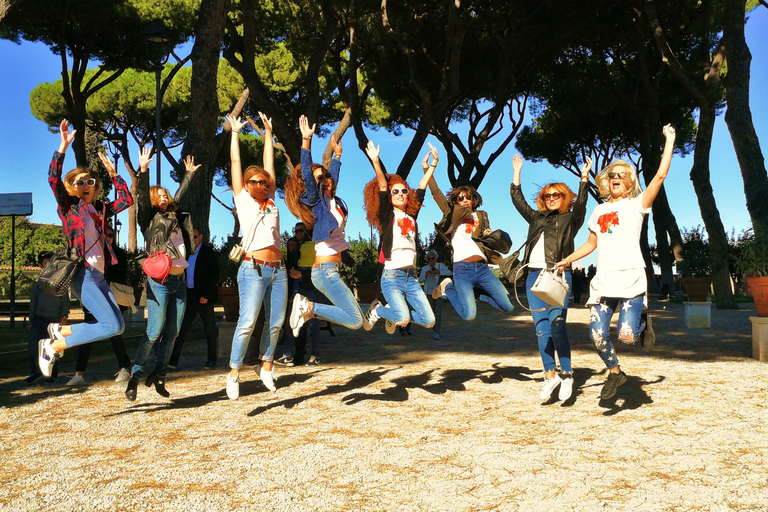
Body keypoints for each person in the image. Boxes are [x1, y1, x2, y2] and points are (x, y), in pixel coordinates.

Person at [556, 124, 676, 400]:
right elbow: (589, 244)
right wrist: (567, 260)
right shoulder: (599, 210)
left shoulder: (637, 204)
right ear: (607, 182)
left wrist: (669, 141)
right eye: (612, 176)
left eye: (622, 175)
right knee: (597, 336)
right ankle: (615, 372)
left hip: (631, 276)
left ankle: (641, 323)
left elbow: (660, 176)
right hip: (604, 280)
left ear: (630, 182)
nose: (616, 178)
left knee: (626, 336)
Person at [38, 120, 133, 379]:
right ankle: (53, 345)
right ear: (71, 188)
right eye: (79, 182)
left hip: (99, 276)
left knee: (118, 327)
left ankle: (61, 332)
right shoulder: (68, 208)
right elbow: (52, 179)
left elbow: (126, 200)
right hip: (83, 274)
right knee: (110, 324)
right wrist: (62, 147)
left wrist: (115, 175)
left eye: (89, 181)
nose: (85, 184)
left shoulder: (100, 209)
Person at [510, 154, 591, 402]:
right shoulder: (536, 217)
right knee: (541, 330)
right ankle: (550, 375)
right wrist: (517, 173)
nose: (552, 199)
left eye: (557, 195)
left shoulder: (570, 218)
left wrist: (584, 179)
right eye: (547, 196)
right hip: (533, 275)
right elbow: (518, 200)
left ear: (565, 198)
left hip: (557, 274)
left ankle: (567, 375)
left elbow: (582, 206)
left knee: (557, 325)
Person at [125, 148, 198, 401]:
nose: (164, 197)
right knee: (154, 331)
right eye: (160, 196)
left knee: (173, 332)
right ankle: (135, 374)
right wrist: (143, 171)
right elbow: (142, 198)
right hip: (159, 282)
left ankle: (160, 374)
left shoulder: (176, 217)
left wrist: (187, 175)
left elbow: (178, 195)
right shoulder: (148, 218)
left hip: (179, 280)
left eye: (165, 194)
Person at [225, 113, 287, 400]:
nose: (261, 183)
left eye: (264, 181)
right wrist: (235, 133)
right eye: (255, 181)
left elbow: (269, 163)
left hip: (279, 269)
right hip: (253, 268)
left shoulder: (272, 198)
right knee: (247, 322)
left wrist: (268, 133)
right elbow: (237, 164)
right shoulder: (243, 199)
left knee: (276, 323)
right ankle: (234, 372)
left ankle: (266, 366)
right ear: (246, 185)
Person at [285, 116, 364, 336]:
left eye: (327, 176)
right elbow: (310, 178)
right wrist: (306, 141)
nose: (325, 179)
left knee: (355, 316)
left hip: (331, 270)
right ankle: (308, 308)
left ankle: (308, 310)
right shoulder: (316, 201)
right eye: (321, 179)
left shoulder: (333, 201)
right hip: (325, 271)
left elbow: (333, 177)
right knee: (356, 320)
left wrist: (337, 156)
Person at [360, 140, 437, 335]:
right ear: (390, 196)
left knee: (429, 321)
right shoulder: (387, 215)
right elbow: (383, 185)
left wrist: (432, 166)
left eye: (404, 190)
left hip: (411, 277)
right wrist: (375, 161)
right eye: (396, 191)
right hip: (392, 277)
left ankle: (391, 314)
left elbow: (421, 187)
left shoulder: (412, 216)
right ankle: (378, 310)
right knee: (402, 319)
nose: (401, 193)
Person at [427, 174, 514, 320]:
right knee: (468, 315)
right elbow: (436, 193)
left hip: (482, 269)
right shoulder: (452, 214)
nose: (465, 200)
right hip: (462, 269)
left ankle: (479, 295)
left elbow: (485, 240)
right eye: (460, 198)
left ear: (474, 199)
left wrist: (489, 234)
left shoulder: (482, 215)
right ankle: (447, 287)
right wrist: (428, 169)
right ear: (455, 201)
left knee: (508, 306)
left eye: (468, 197)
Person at [67, 226, 133, 386]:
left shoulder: (118, 254)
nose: (108, 238)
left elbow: (120, 276)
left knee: (115, 333)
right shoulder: (92, 254)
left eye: (111, 235)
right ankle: (79, 372)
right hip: (93, 297)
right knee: (88, 334)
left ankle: (124, 368)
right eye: (105, 235)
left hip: (111, 297)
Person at [168, 227, 220, 370]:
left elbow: (214, 275)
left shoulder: (208, 253)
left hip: (203, 297)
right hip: (188, 295)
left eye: (195, 237)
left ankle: (211, 360)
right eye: (190, 237)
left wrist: (206, 295)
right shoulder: (184, 253)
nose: (193, 240)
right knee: (181, 329)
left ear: (201, 237)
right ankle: (172, 361)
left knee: (209, 329)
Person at [26, 251, 69, 384]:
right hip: (39, 318)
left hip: (54, 319)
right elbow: (33, 302)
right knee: (34, 345)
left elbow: (65, 301)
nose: (48, 266)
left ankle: (52, 374)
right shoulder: (37, 283)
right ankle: (36, 371)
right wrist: (31, 320)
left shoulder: (60, 281)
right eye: (45, 263)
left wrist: (64, 316)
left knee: (53, 346)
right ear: (40, 266)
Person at [419, 250, 452, 340]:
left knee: (438, 313)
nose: (431, 260)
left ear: (435, 258)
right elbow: (420, 280)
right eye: (429, 259)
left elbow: (449, 273)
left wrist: (439, 272)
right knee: (431, 313)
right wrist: (426, 276)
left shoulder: (440, 266)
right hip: (428, 293)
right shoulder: (424, 268)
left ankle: (436, 332)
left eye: (432, 258)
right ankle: (433, 329)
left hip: (438, 293)